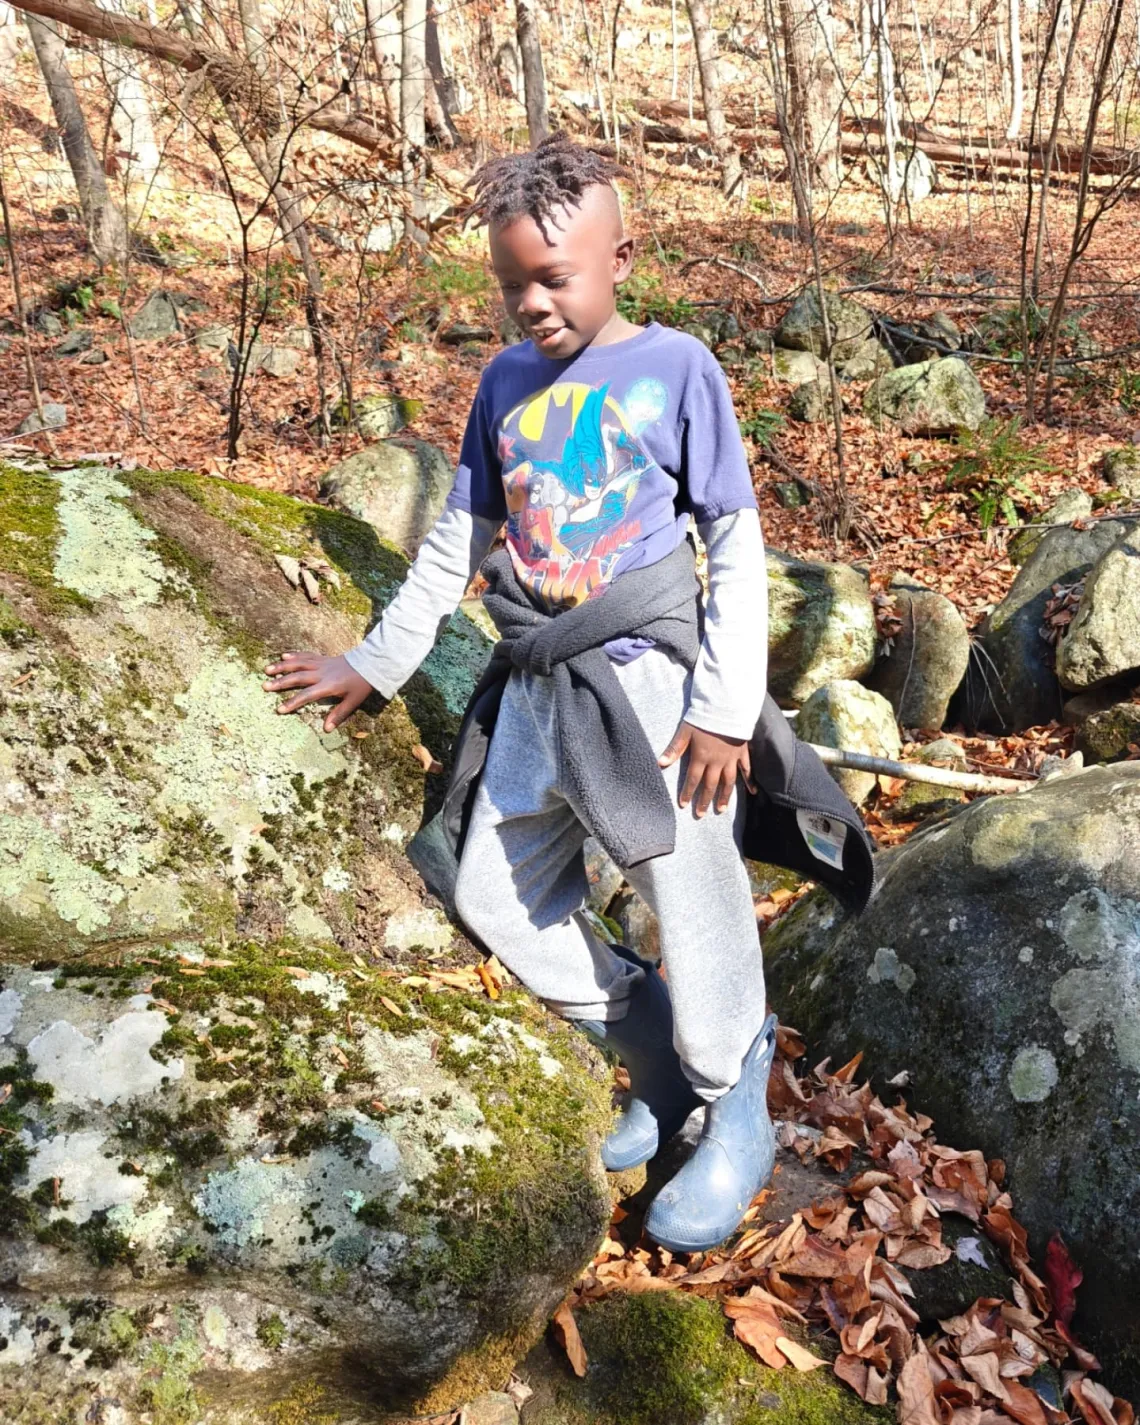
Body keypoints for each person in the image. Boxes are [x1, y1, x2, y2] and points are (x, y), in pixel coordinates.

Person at [263, 135, 777, 1254]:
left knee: (691, 892)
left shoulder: (678, 370)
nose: (532, 304)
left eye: (557, 278)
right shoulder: (502, 383)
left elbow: (734, 548)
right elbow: (461, 538)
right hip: (541, 684)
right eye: (512, 284)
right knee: (495, 892)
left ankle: (735, 1091)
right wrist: (375, 661)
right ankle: (656, 1049)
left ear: (620, 258)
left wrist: (728, 707)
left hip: (649, 691)